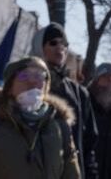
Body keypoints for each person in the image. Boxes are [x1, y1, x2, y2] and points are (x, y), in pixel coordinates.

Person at [0, 56, 81, 179]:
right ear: (9, 88)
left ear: (46, 87)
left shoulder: (60, 129)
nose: (33, 81)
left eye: (40, 76)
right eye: (24, 76)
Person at [37, 22, 101, 179]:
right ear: (41, 48)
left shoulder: (79, 93)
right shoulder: (28, 83)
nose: (60, 47)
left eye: (64, 43)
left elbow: (89, 140)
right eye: (53, 42)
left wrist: (90, 172)